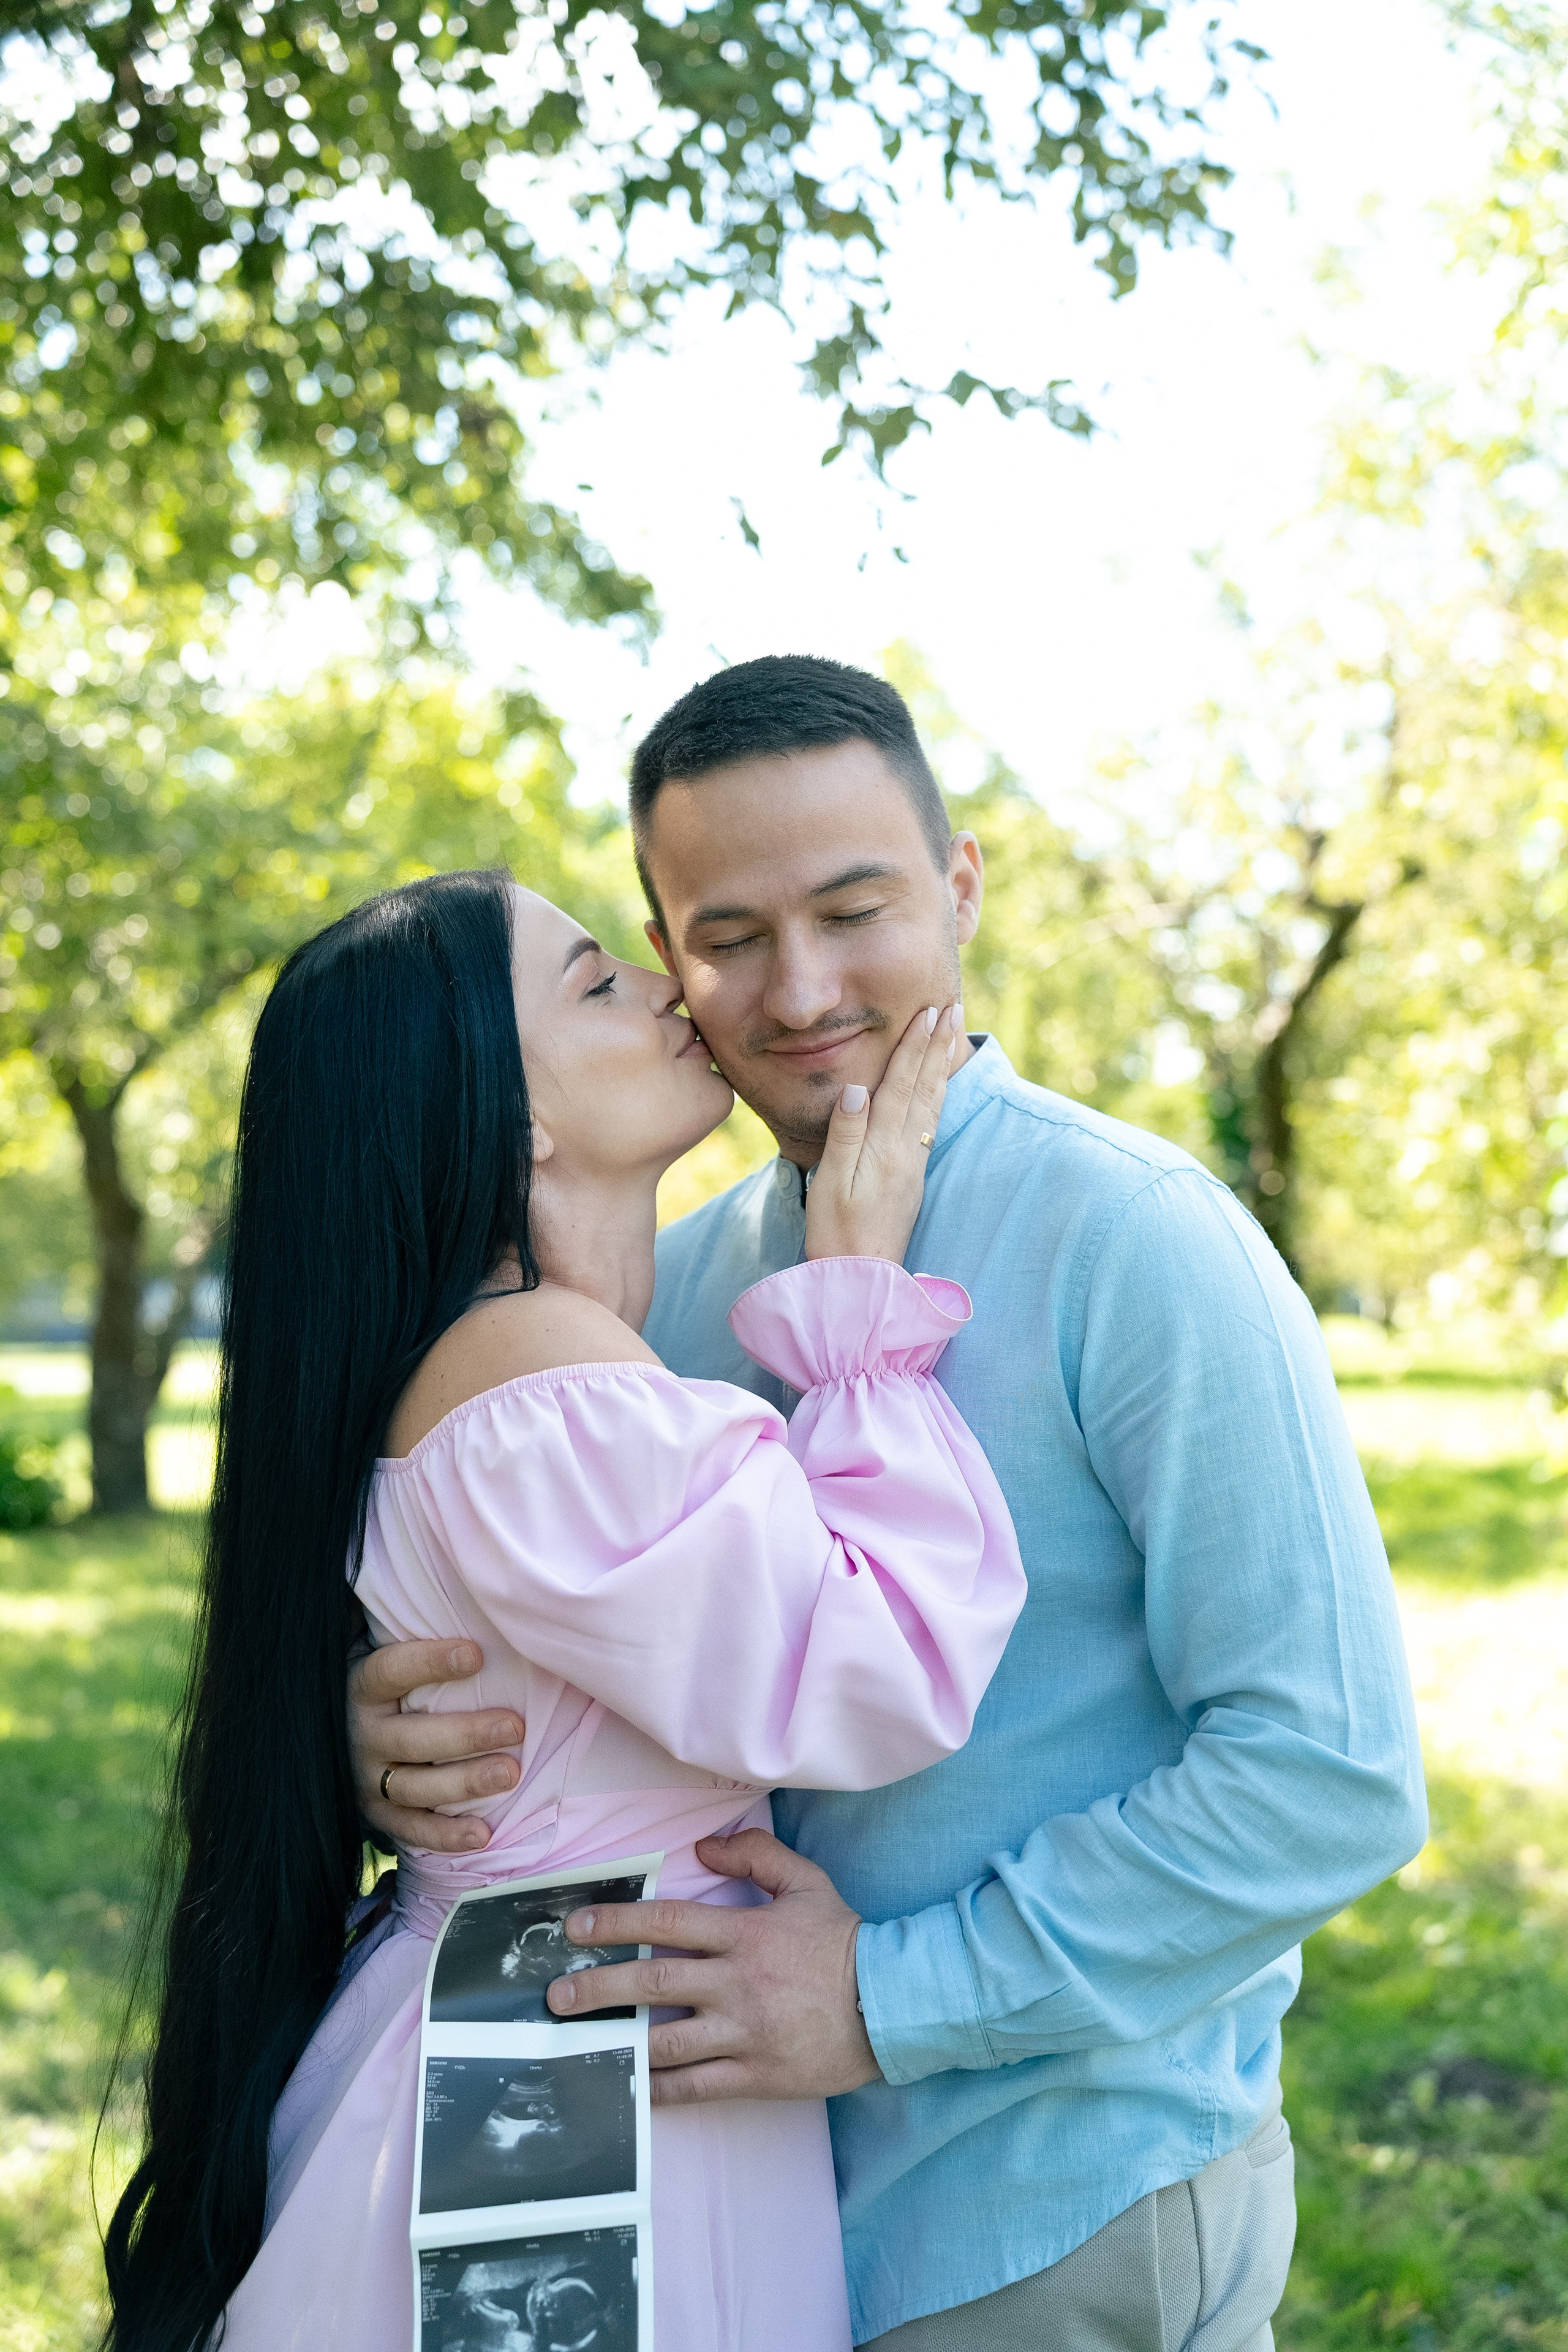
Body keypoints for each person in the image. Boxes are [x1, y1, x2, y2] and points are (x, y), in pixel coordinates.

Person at [358, 657, 1428, 2350]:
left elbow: (1328, 1775)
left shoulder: (1135, 1237)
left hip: (1046, 2193)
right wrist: (402, 1743)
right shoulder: (669, 1296)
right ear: (666, 958)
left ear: (959, 886)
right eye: (727, 938)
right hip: (731, 2212)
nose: (800, 991)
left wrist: (883, 1999)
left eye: (854, 912)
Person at [103, 866, 1027, 2352]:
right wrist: (858, 1303)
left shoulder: (510, 1358)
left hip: (558, 2029)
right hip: (571, 2083)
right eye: (598, 982)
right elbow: (870, 1671)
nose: (672, 991)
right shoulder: (535, 1371)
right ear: (506, 1115)